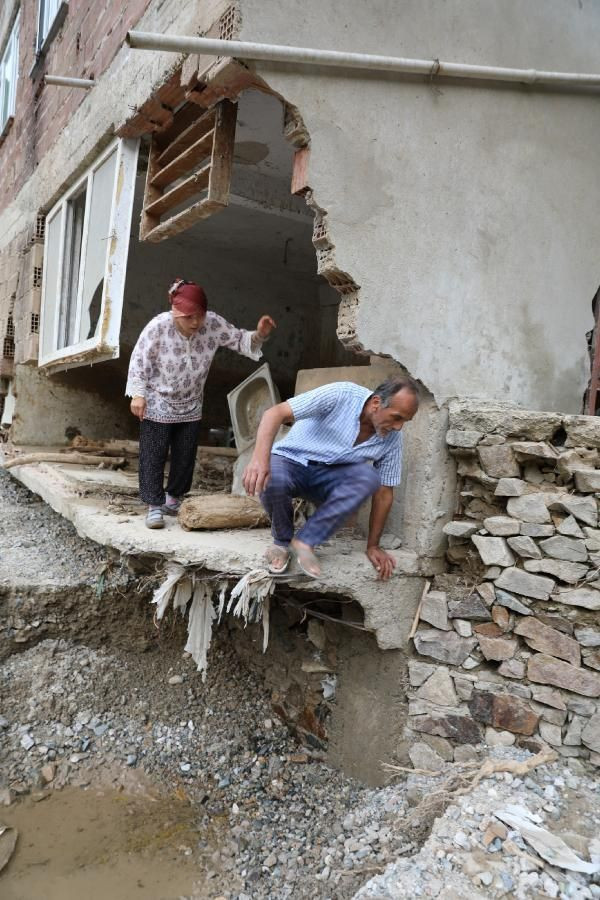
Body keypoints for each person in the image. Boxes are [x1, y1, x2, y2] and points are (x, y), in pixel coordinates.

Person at [126, 278, 276, 529]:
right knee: (154, 453)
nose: (196, 323)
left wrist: (259, 334)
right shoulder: (158, 327)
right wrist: (138, 395)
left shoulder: (213, 324)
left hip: (192, 403)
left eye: (200, 316)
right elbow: (139, 361)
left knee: (185, 454)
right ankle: (154, 505)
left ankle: (173, 499)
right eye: (189, 317)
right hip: (158, 401)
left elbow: (240, 340)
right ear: (175, 313)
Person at [243, 377, 419, 580]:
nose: (398, 427)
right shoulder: (341, 394)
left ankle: (305, 542)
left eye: (405, 421)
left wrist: (373, 545)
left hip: (328, 480)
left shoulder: (392, 438)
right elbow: (275, 413)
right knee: (273, 475)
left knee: (368, 477)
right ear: (376, 403)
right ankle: (281, 542)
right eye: (397, 417)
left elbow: (384, 493)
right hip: (292, 461)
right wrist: (259, 459)